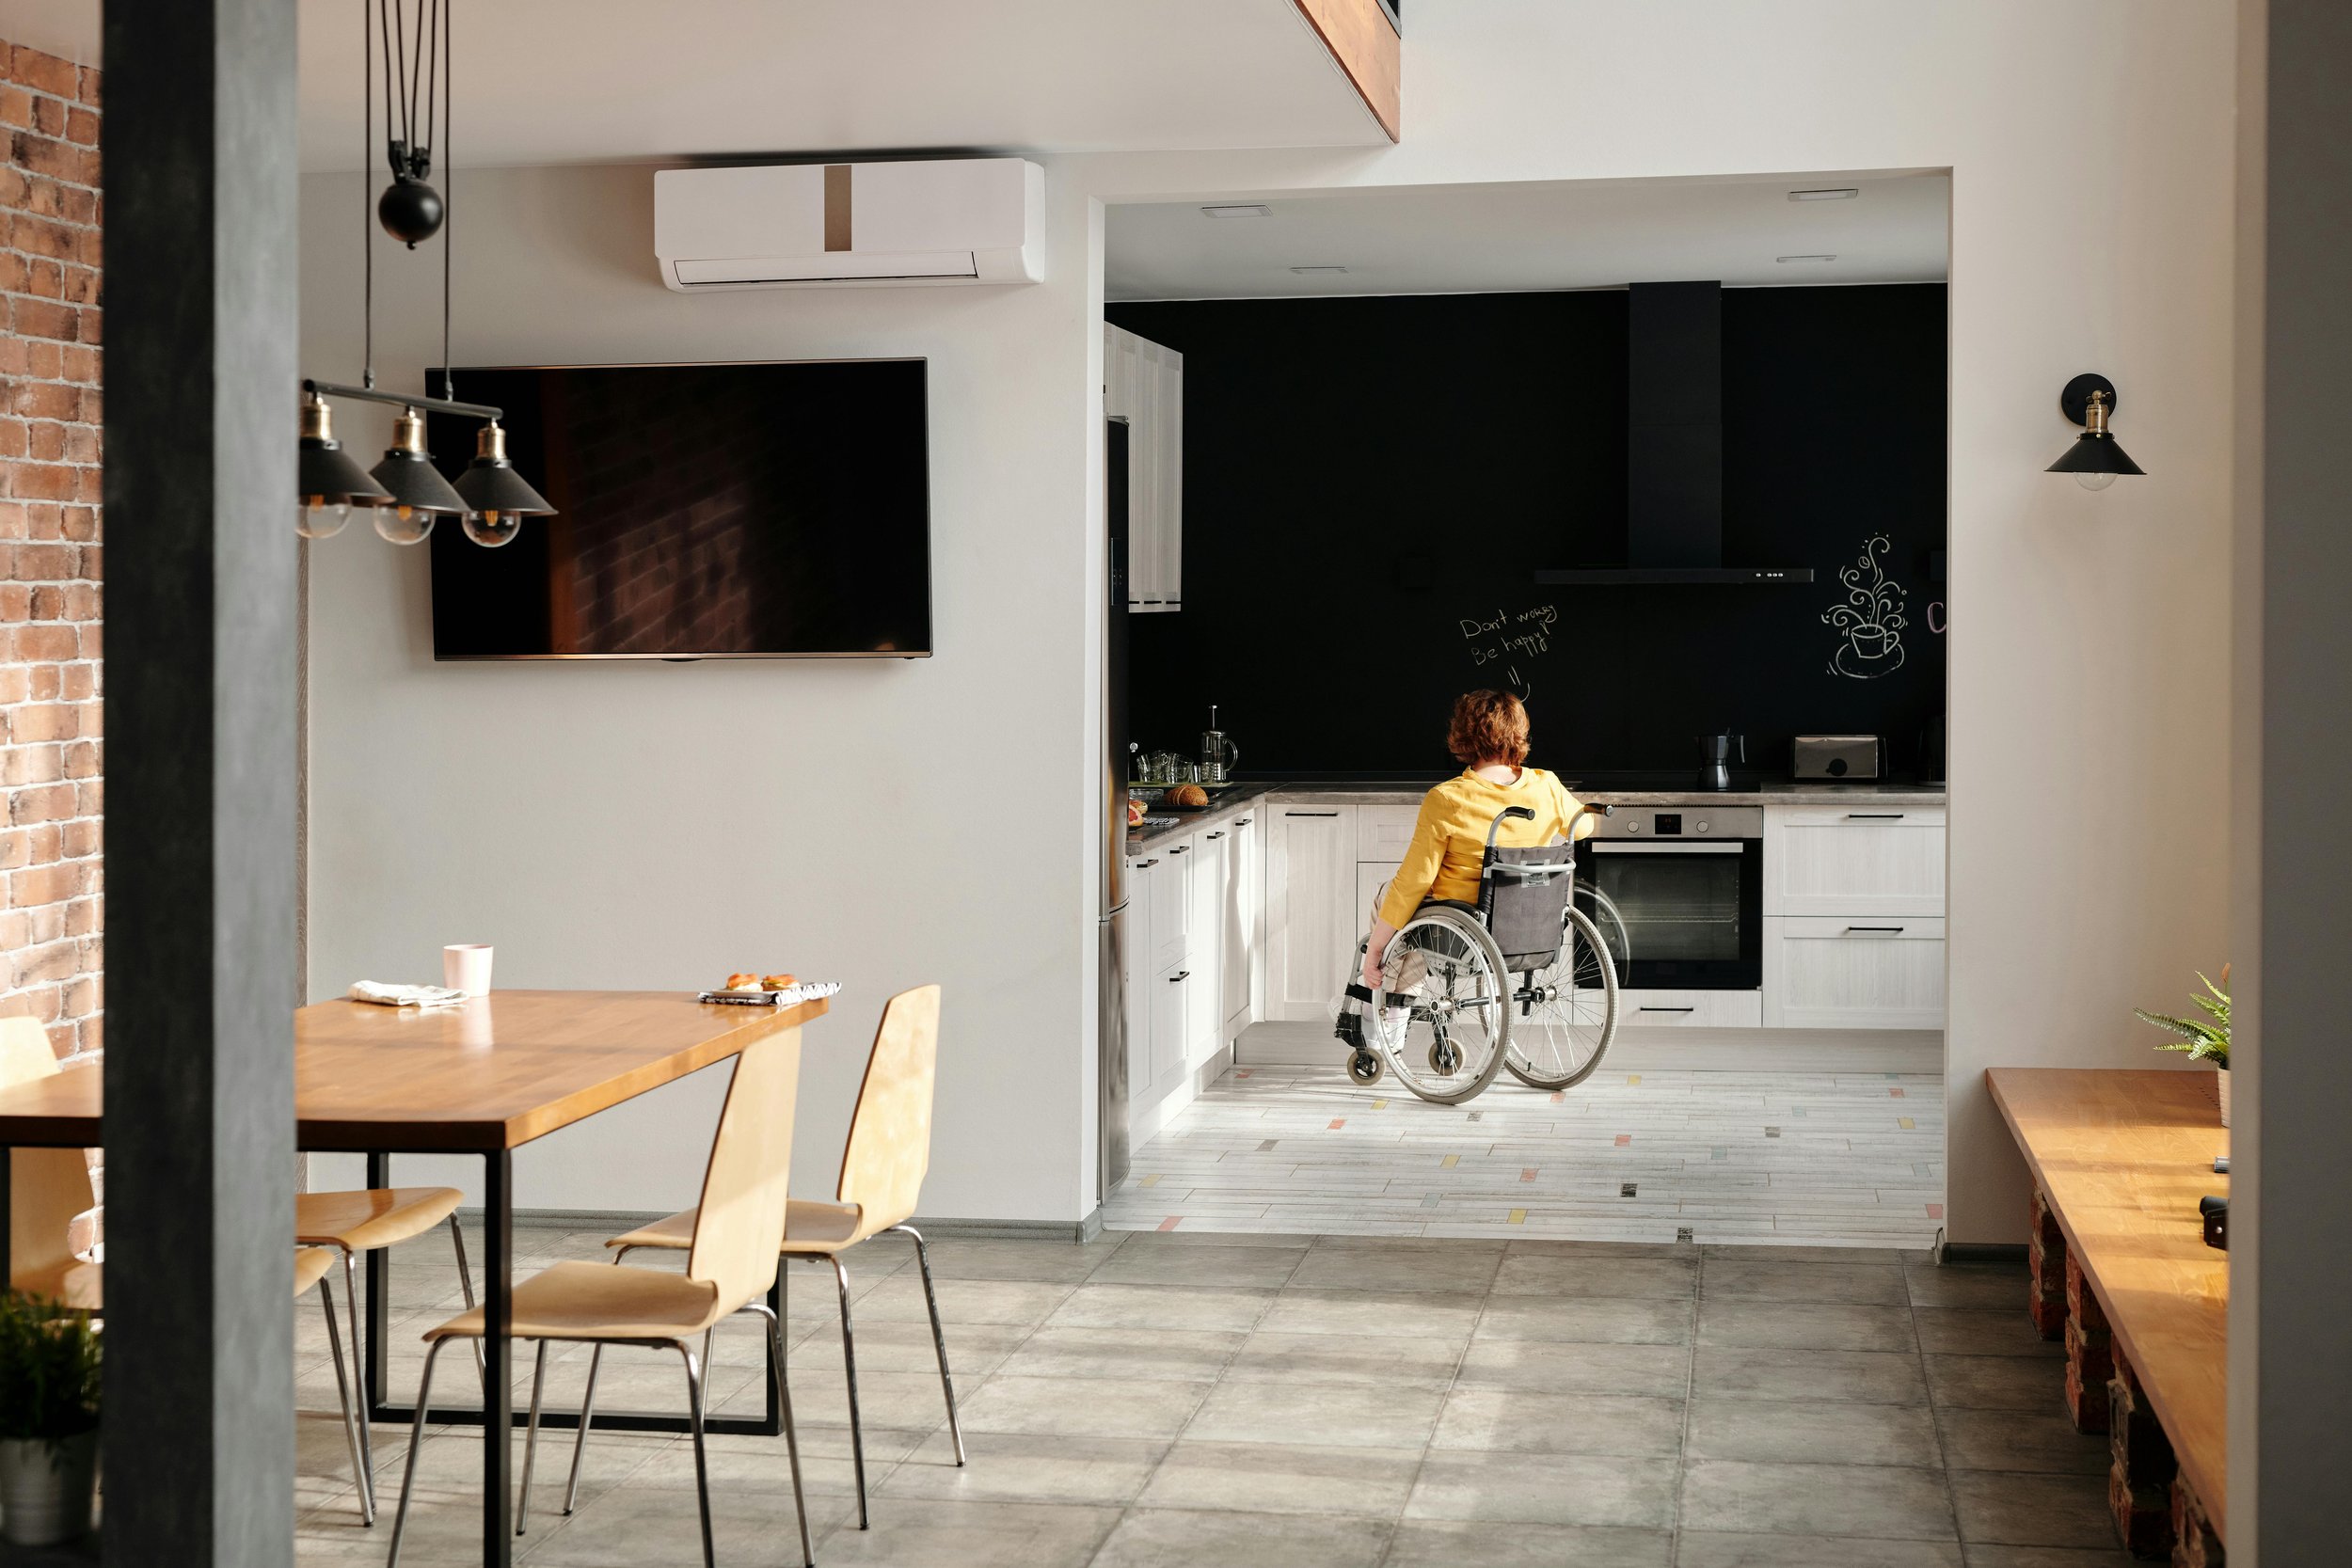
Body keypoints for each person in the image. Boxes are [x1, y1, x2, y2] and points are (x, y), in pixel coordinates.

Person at [1361, 689, 1595, 990]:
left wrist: (1376, 950)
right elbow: (1584, 826)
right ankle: (1389, 1012)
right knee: (1414, 909)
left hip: (1462, 932)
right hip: (1527, 925)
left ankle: (1381, 1012)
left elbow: (1414, 881)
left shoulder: (1448, 798)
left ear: (1463, 735)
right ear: (1520, 732)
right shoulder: (1546, 785)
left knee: (1392, 896)